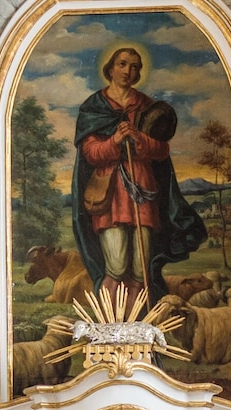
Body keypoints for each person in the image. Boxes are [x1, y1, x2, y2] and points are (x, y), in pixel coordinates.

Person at [71, 47, 205, 304]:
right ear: (110, 68)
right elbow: (91, 153)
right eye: (122, 64)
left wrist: (140, 138)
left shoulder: (147, 107)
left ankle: (140, 321)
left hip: (143, 192)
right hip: (110, 194)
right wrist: (116, 140)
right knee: (117, 264)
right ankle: (112, 323)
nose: (128, 71)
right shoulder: (94, 108)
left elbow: (162, 150)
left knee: (139, 267)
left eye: (134, 66)